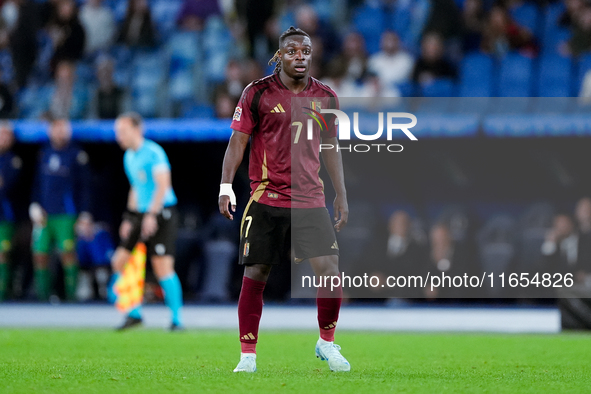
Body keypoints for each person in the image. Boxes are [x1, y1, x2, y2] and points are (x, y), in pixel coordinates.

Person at [218, 26, 350, 373]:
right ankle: (248, 355)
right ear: (280, 56)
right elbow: (237, 142)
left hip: (310, 199)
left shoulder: (325, 96)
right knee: (257, 273)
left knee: (331, 273)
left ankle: (327, 343)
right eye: (292, 51)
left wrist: (341, 193)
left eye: (305, 51)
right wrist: (225, 185)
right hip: (267, 196)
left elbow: (330, 146)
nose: (300, 57)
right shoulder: (257, 92)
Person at [111, 112, 183, 330]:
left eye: (122, 132)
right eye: (117, 132)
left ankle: (176, 320)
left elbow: (163, 185)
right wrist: (129, 218)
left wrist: (151, 215)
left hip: (162, 212)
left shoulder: (153, 152)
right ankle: (134, 313)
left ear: (136, 129)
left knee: (162, 266)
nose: (119, 137)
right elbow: (136, 188)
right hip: (141, 213)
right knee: (120, 261)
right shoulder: (129, 157)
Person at [30, 118, 91, 301]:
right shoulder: (44, 152)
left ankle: (70, 297)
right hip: (44, 215)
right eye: (56, 129)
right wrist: (34, 205)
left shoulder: (77, 154)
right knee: (40, 254)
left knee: (68, 255)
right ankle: (43, 297)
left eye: (63, 129)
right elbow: (37, 184)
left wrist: (85, 214)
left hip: (67, 213)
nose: (60, 133)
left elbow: (85, 187)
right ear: (50, 131)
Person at [0, 122, 21, 301]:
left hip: (4, 216)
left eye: (7, 136)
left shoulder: (13, 161)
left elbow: (5, 186)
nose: (3, 139)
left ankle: (3, 293)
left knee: (2, 254)